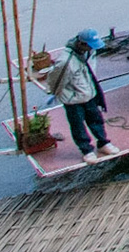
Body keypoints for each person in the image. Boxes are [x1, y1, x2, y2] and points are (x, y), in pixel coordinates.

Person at [41, 29, 117, 162]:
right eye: (90, 46)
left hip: (89, 95)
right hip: (73, 100)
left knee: (96, 120)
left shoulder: (89, 53)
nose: (92, 49)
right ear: (81, 44)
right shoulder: (65, 61)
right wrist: (55, 94)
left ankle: (103, 143)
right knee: (78, 125)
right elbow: (54, 80)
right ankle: (86, 150)